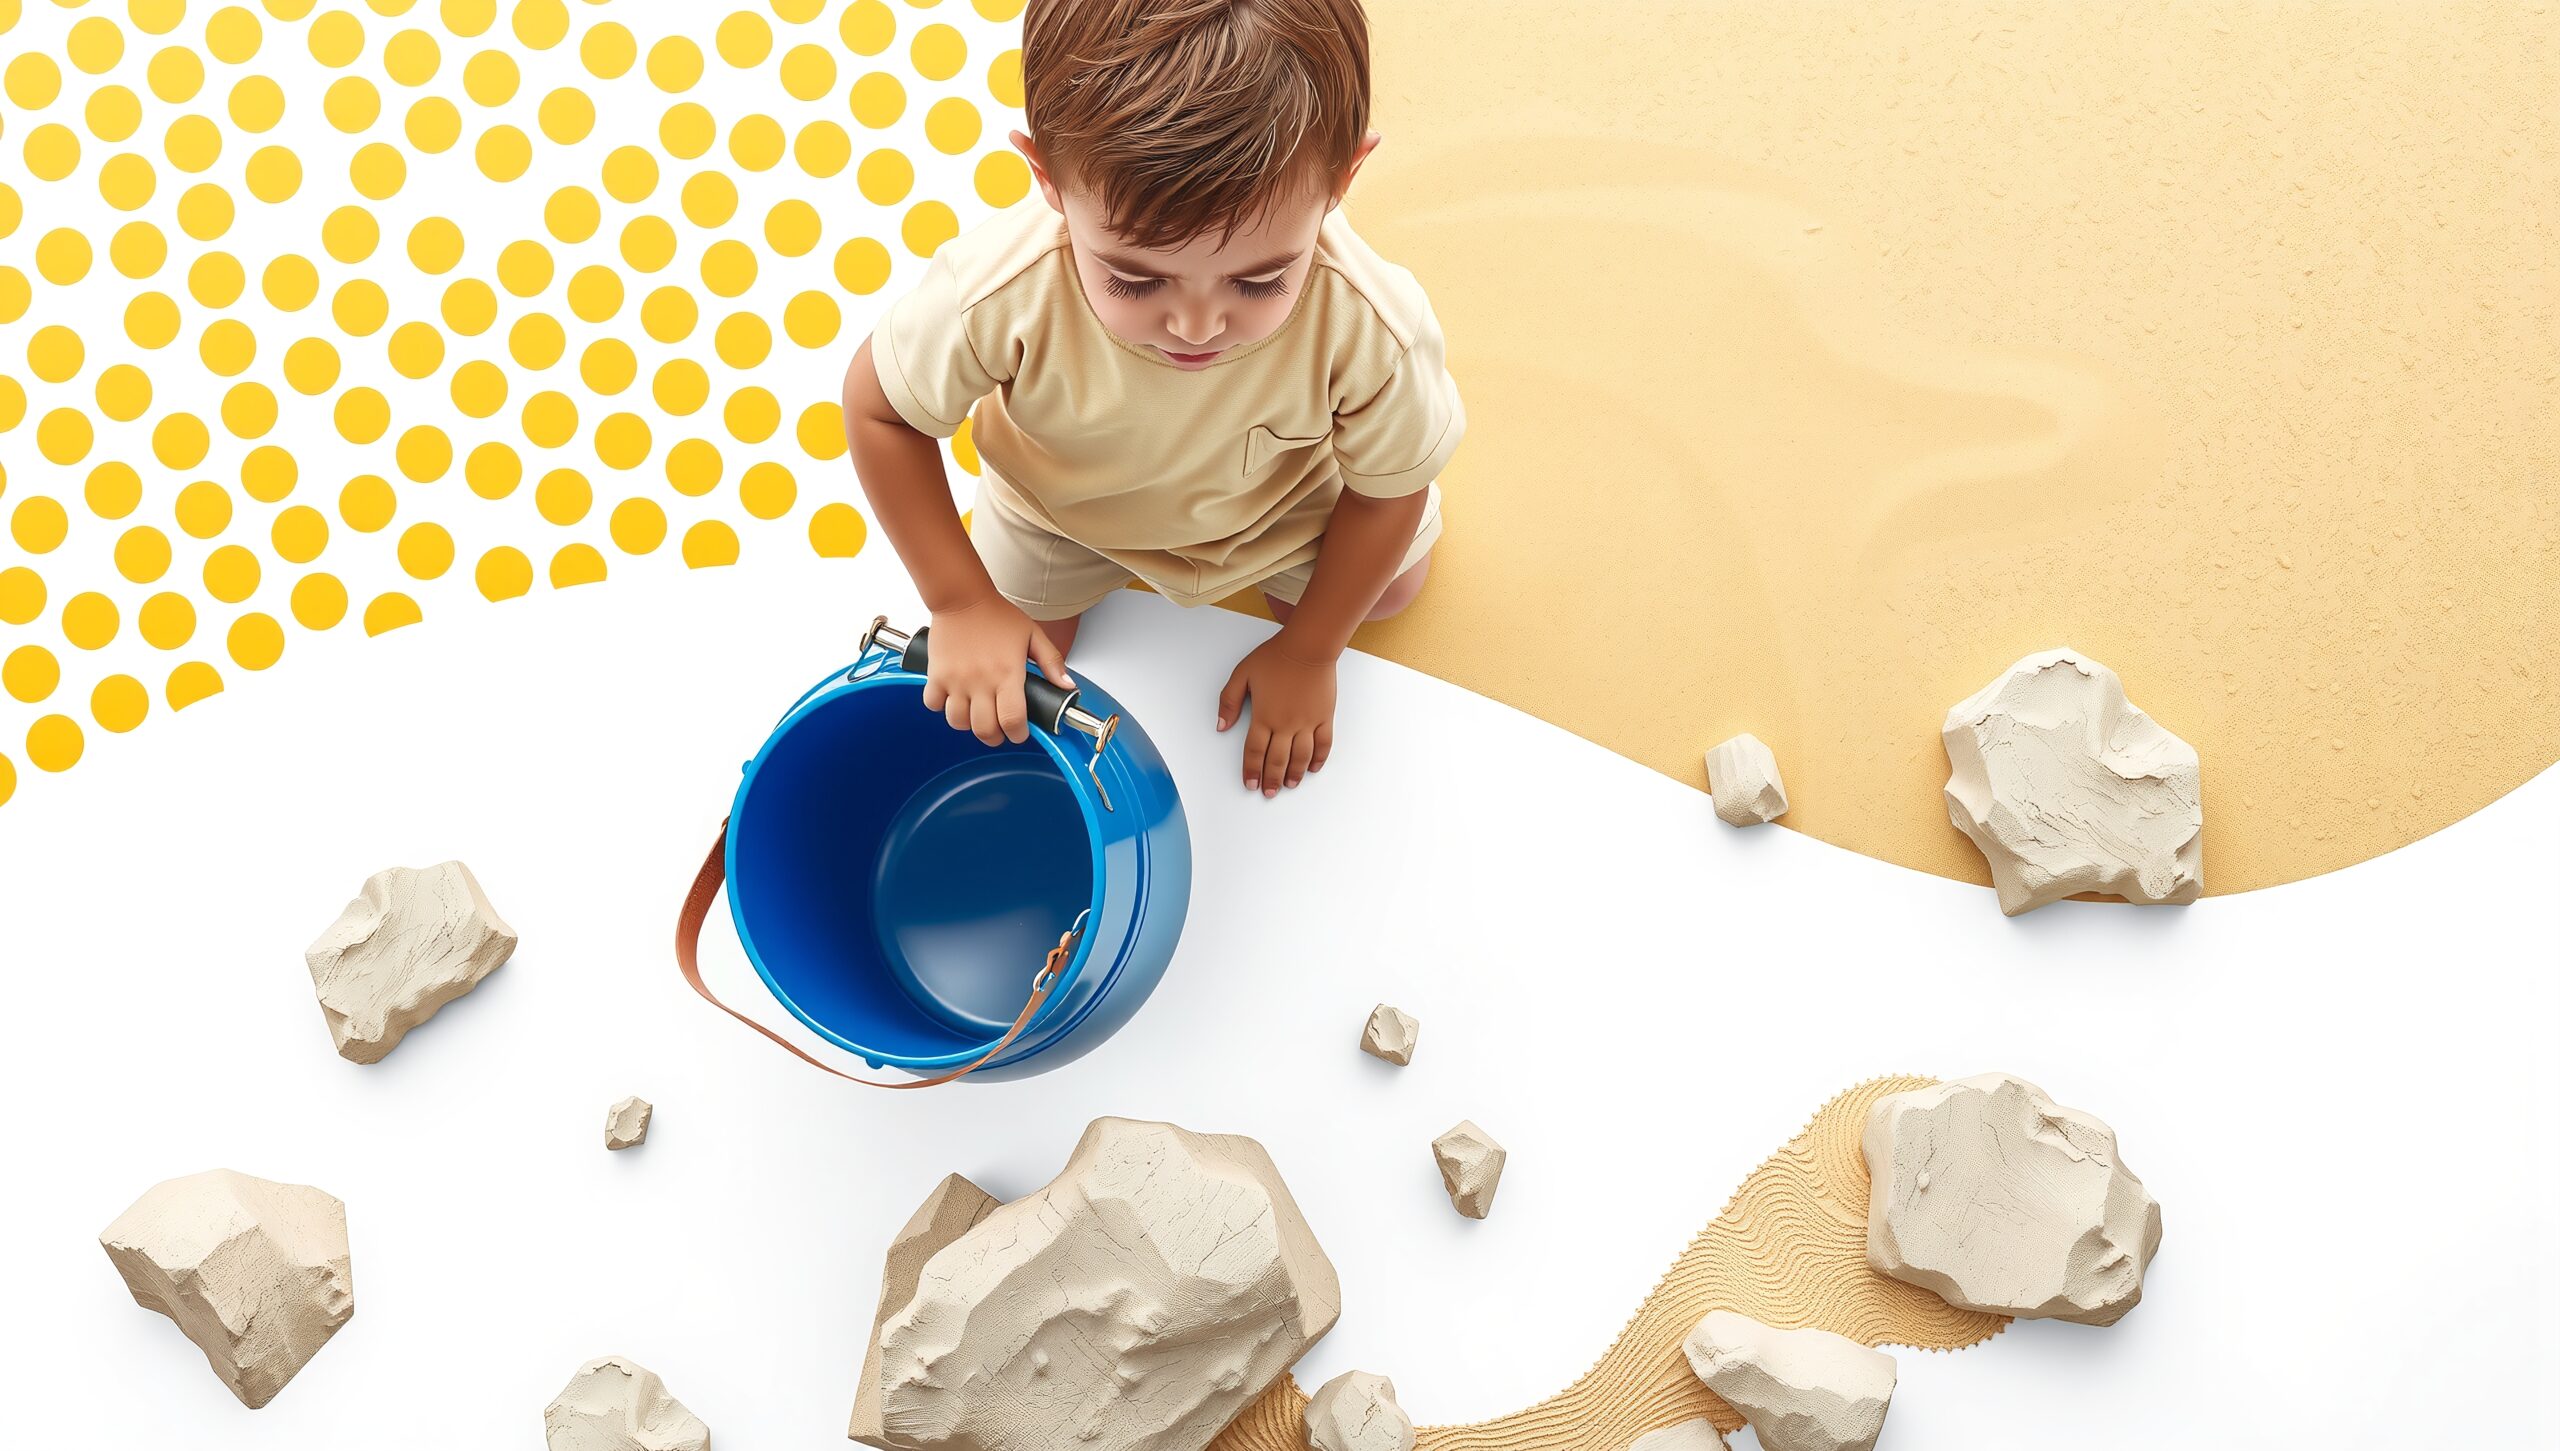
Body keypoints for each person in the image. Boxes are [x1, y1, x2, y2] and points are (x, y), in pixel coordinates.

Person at [841, 0, 1461, 797]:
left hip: (1283, 513)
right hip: (1061, 514)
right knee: (1026, 644)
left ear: (1342, 180)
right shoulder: (999, 290)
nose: (1196, 324)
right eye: (1135, 277)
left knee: (1393, 589)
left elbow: (1391, 487)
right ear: (1048, 180)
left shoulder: (1374, 323)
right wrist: (958, 601)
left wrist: (1311, 651)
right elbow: (878, 408)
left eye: (1259, 279)